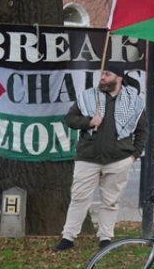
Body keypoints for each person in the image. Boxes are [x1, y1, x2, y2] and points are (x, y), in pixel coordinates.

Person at [53, 68, 147, 252]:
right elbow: (70, 119)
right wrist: (88, 122)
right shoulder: (88, 97)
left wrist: (134, 155)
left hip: (119, 160)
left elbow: (142, 130)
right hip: (88, 158)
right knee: (79, 198)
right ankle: (68, 237)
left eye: (107, 74)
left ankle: (105, 238)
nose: (102, 78)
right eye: (101, 74)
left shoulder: (133, 101)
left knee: (111, 201)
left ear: (118, 78)